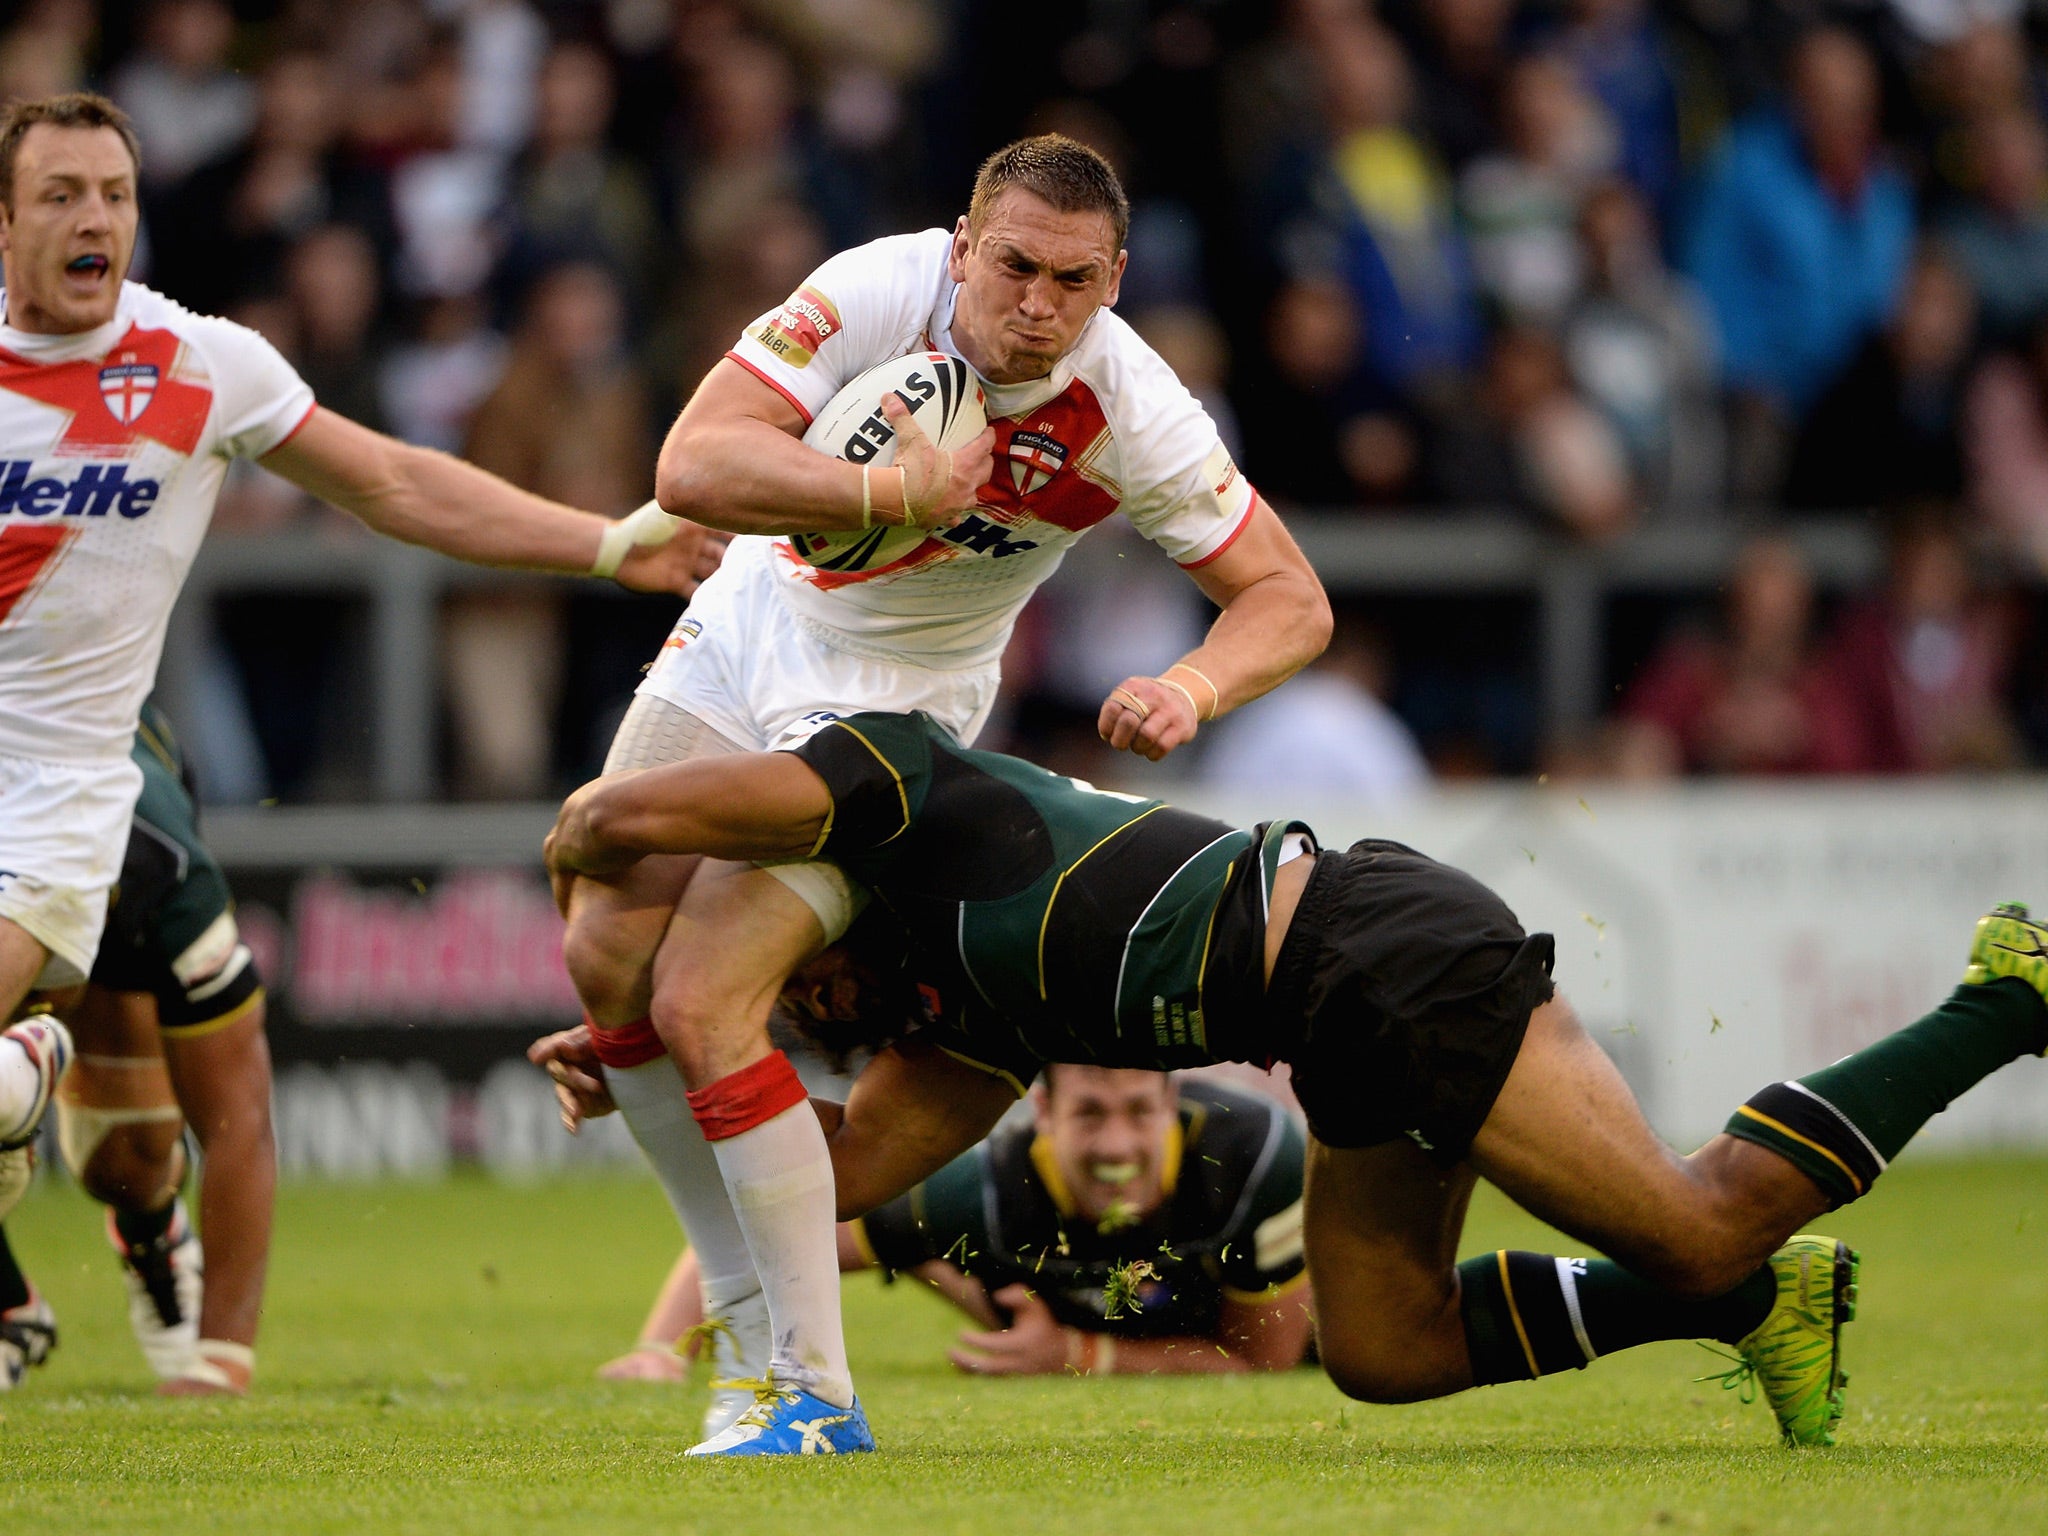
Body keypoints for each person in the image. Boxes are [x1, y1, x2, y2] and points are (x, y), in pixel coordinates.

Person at [538, 708, 2048, 1451]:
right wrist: (662, 1074)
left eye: (772, 976)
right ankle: (1757, 1303)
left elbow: (629, 810)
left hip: (1375, 949)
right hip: (1332, 1021)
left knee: (1705, 1217)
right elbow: (844, 1177)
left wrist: (597, 874)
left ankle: (2003, 994)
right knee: (1383, 1346)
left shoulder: (898, 784)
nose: (789, 1003)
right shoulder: (958, 1019)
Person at [556, 133, 1330, 1454]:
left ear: (1116, 280)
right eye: (1016, 267)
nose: (1039, 306)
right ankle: (749, 1319)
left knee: (702, 997)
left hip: (892, 716)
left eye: (1076, 282)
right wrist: (886, 488)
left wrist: (1192, 687)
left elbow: (1290, 600)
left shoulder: (1131, 409)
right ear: (964, 248)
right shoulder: (873, 290)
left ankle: (804, 1390)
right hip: (748, 625)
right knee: (604, 948)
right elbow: (692, 465)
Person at [0, 90, 712, 1347]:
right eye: (60, 194)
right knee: (112, 1149)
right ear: (5, 221)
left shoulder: (199, 365)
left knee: (134, 1128)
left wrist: (607, 543)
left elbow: (392, 482)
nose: (93, 216)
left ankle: (31, 1103)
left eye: (113, 192)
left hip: (57, 793)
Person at [597, 1065, 1312, 1383]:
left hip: (1265, 1328)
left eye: (1138, 1112)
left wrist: (1079, 1357)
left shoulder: (1249, 1161)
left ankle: (949, 1273)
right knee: (928, 1239)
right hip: (1044, 1295)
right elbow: (767, 1235)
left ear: (1170, 1103)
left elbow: (1263, 1361)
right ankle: (930, 1261)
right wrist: (663, 1351)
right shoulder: (988, 1187)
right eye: (1090, 1113)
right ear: (1044, 1112)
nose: (1118, 1146)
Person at [24, 699, 272, 1396]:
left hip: (108, 828)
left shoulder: (167, 880)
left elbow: (238, 1120)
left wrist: (221, 1359)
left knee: (123, 1161)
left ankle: (151, 1233)